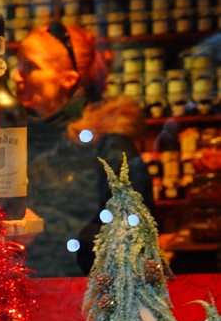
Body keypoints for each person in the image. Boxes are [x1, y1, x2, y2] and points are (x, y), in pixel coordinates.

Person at [13, 22, 155, 277]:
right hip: (21, 295)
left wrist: (44, 229)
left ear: (67, 80)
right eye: (17, 64)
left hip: (87, 299)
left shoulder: (108, 145)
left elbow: (134, 237)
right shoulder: (15, 139)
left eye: (29, 66)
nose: (15, 75)